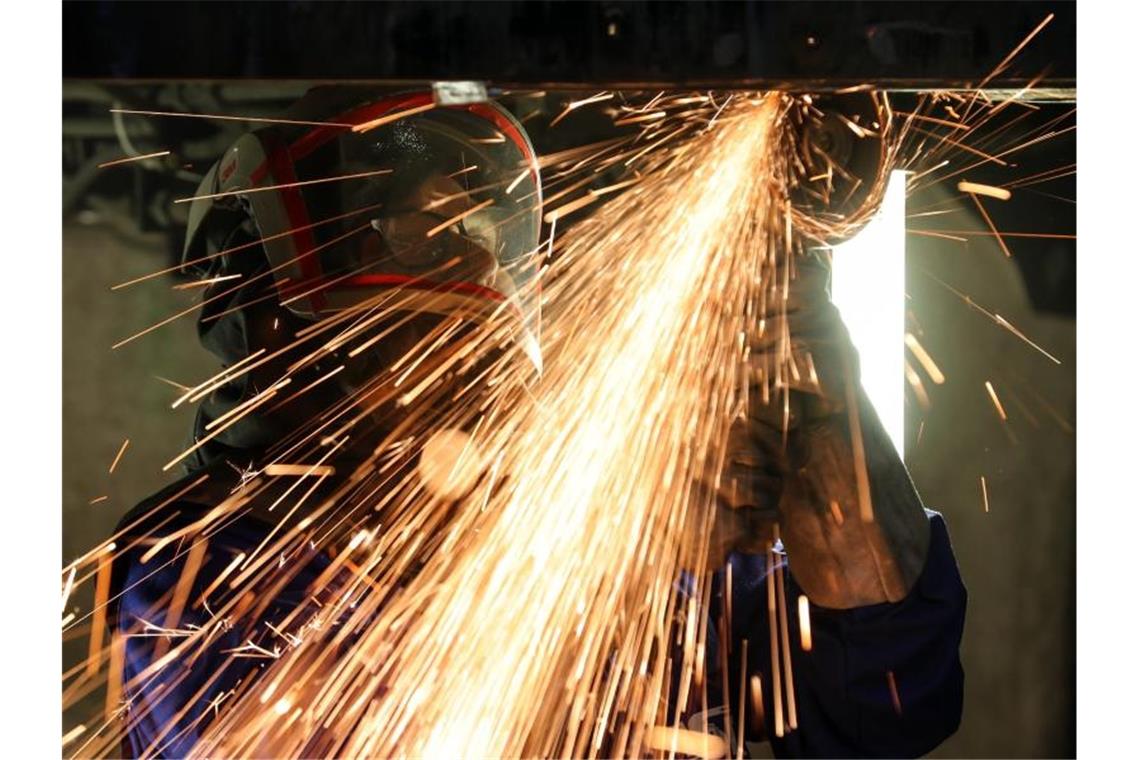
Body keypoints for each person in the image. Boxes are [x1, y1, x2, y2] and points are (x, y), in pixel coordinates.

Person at [107, 88, 964, 758]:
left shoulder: (613, 531)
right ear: (266, 326)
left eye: (451, 338)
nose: (435, 382)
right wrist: (616, 578)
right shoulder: (186, 562)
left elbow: (888, 696)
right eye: (399, 340)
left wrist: (815, 377)